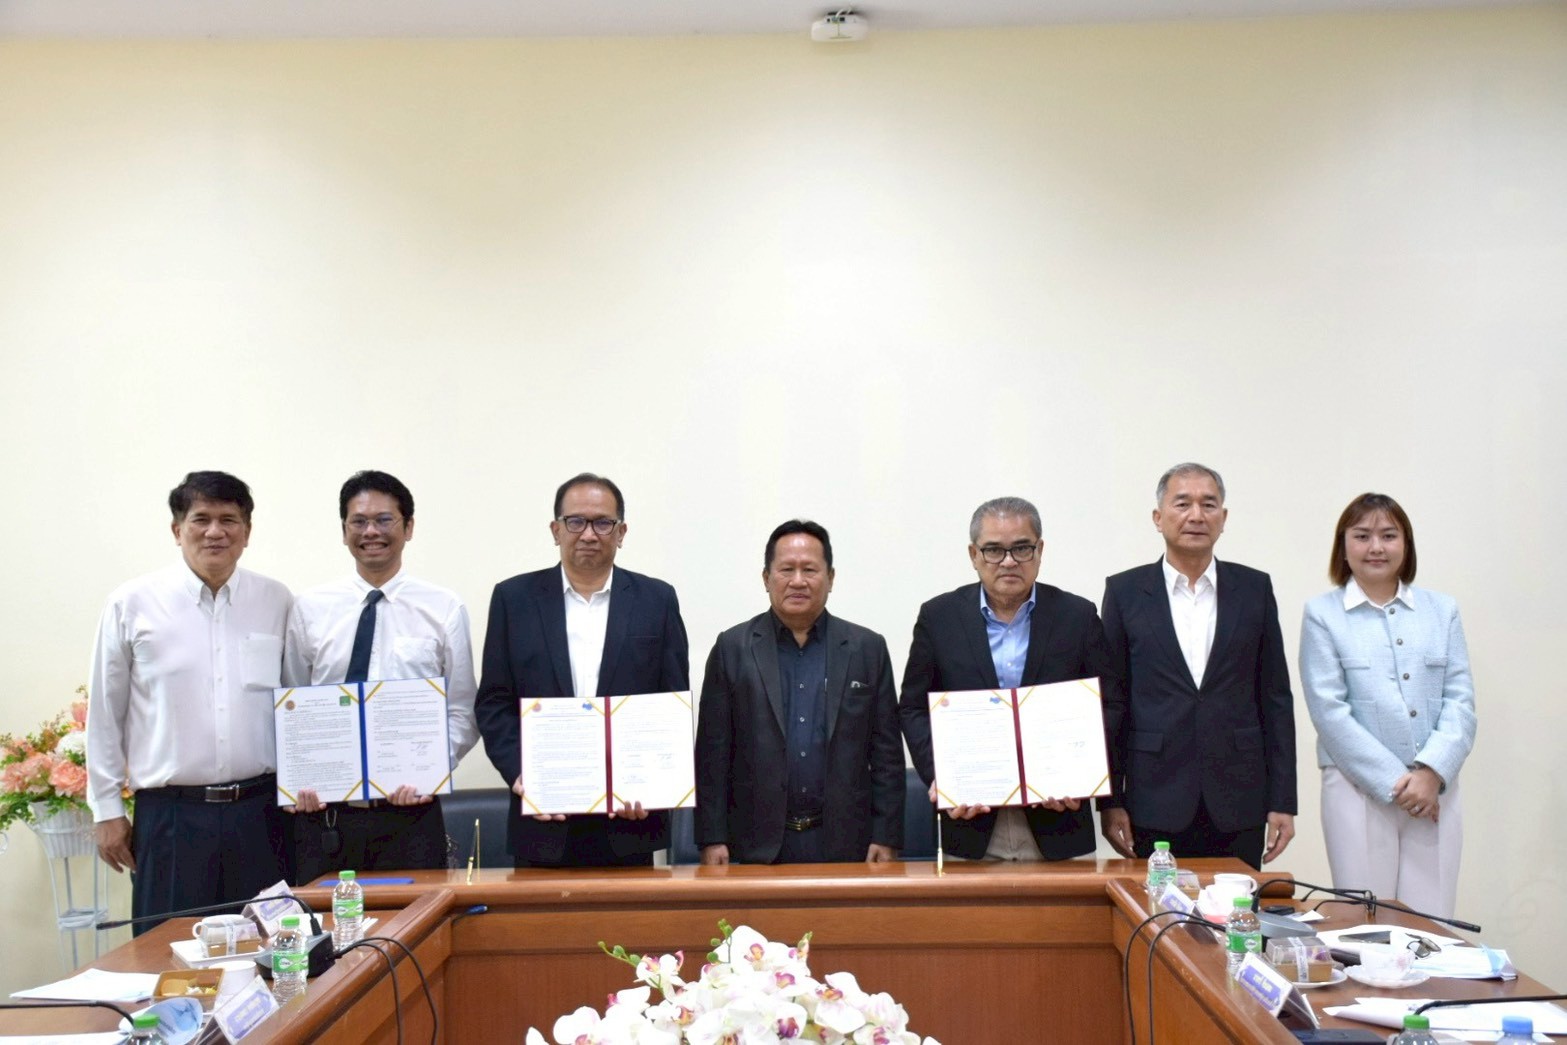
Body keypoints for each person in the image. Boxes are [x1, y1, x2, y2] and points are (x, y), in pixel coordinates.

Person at [87, 471, 293, 930]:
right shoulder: (131, 604)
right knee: (166, 952)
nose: (215, 532)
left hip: (260, 816)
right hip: (171, 817)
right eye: (201, 519)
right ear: (177, 529)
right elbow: (105, 714)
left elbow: (295, 702)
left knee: (269, 948)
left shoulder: (276, 601)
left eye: (229, 520)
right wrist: (106, 810)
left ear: (247, 532)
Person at [474, 473, 689, 867]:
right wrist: (521, 774)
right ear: (555, 530)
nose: (589, 534)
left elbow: (671, 703)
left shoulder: (657, 600)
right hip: (543, 818)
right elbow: (493, 703)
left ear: (621, 532)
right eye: (575, 521)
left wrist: (653, 784)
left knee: (629, 912)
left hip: (629, 820)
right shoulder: (513, 599)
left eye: (603, 522)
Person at [282, 470, 479, 884]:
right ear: (344, 531)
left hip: (412, 816)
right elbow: (292, 704)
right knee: (326, 922)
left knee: (416, 922)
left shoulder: (443, 607)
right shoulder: (309, 608)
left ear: (409, 527)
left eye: (384, 519)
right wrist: (298, 777)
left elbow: (463, 708)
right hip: (326, 818)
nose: (371, 531)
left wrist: (431, 770)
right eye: (359, 521)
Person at [1099, 463, 1296, 870]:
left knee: (1236, 906)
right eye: (1182, 503)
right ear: (1158, 517)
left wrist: (1283, 800)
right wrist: (1111, 801)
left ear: (1223, 517)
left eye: (1208, 504)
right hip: (1154, 796)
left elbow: (1275, 698)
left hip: (1238, 796)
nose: (1196, 515)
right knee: (1156, 907)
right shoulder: (1124, 592)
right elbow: (1112, 701)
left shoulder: (1254, 589)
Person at [899, 497, 1114, 861]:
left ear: (1040, 550)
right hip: (970, 823)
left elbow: (1110, 703)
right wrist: (943, 777)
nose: (1009, 561)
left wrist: (1083, 775)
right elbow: (913, 708)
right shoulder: (939, 618)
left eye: (1022, 548)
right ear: (974, 554)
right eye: (994, 550)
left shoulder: (1077, 616)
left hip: (1060, 821)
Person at [1300, 493, 1474, 917]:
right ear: (1343, 546)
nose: (1375, 547)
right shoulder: (1322, 614)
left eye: (1388, 536)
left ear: (1406, 544)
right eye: (1362, 536)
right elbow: (1329, 711)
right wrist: (1400, 783)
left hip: (1435, 788)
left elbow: (1460, 701)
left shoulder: (1442, 610)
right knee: (1364, 919)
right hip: (1355, 788)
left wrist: (1430, 773)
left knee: (1431, 922)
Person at [695, 520, 903, 864]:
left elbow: (887, 755)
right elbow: (711, 755)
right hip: (755, 844)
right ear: (766, 578)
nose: (798, 581)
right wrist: (711, 838)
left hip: (847, 843)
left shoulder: (867, 648)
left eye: (810, 569)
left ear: (830, 578)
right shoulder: (732, 648)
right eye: (786, 569)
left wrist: (887, 835)